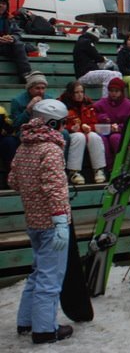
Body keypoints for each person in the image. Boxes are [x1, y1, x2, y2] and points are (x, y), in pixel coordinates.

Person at [8, 99, 74, 344]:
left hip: (33, 221)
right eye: (63, 123)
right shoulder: (51, 150)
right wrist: (60, 222)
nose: (64, 127)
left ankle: (26, 321)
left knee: (37, 273)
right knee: (50, 277)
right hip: (51, 223)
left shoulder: (24, 146)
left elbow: (13, 181)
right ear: (53, 123)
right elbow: (55, 189)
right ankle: (45, 329)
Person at [59, 81, 107, 185]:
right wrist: (71, 128)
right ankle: (74, 172)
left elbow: (94, 122)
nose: (80, 95)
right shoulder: (61, 105)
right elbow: (59, 124)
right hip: (72, 134)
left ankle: (99, 170)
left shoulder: (88, 104)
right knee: (79, 137)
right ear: (70, 93)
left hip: (85, 131)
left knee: (94, 136)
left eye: (82, 92)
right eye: (76, 92)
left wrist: (89, 128)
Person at [93, 78, 130, 169]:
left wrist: (119, 127)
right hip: (104, 129)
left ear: (122, 92)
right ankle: (108, 167)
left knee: (115, 138)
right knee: (101, 139)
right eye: (111, 91)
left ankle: (119, 165)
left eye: (116, 91)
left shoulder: (128, 105)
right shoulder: (102, 103)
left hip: (121, 132)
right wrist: (102, 117)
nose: (114, 93)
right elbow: (93, 113)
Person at [73, 26, 122, 97]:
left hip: (88, 74)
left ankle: (117, 99)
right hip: (84, 75)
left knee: (118, 74)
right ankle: (105, 100)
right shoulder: (86, 42)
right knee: (109, 75)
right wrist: (104, 59)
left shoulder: (82, 41)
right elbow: (98, 57)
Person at [0, 0, 33, 82]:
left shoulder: (9, 19)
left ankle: (26, 75)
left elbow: (18, 32)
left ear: (6, 6)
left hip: (5, 46)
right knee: (23, 47)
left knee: (19, 44)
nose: (1, 5)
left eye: (3, 3)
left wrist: (12, 38)